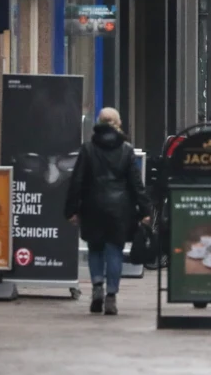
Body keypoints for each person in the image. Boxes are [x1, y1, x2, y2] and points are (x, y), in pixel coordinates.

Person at [65, 108, 152, 315]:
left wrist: (71, 209)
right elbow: (136, 184)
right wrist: (145, 210)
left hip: (92, 206)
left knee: (95, 248)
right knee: (114, 250)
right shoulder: (126, 150)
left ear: (99, 122)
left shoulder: (87, 149)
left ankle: (97, 287)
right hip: (119, 209)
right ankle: (111, 295)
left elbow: (77, 181)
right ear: (118, 123)